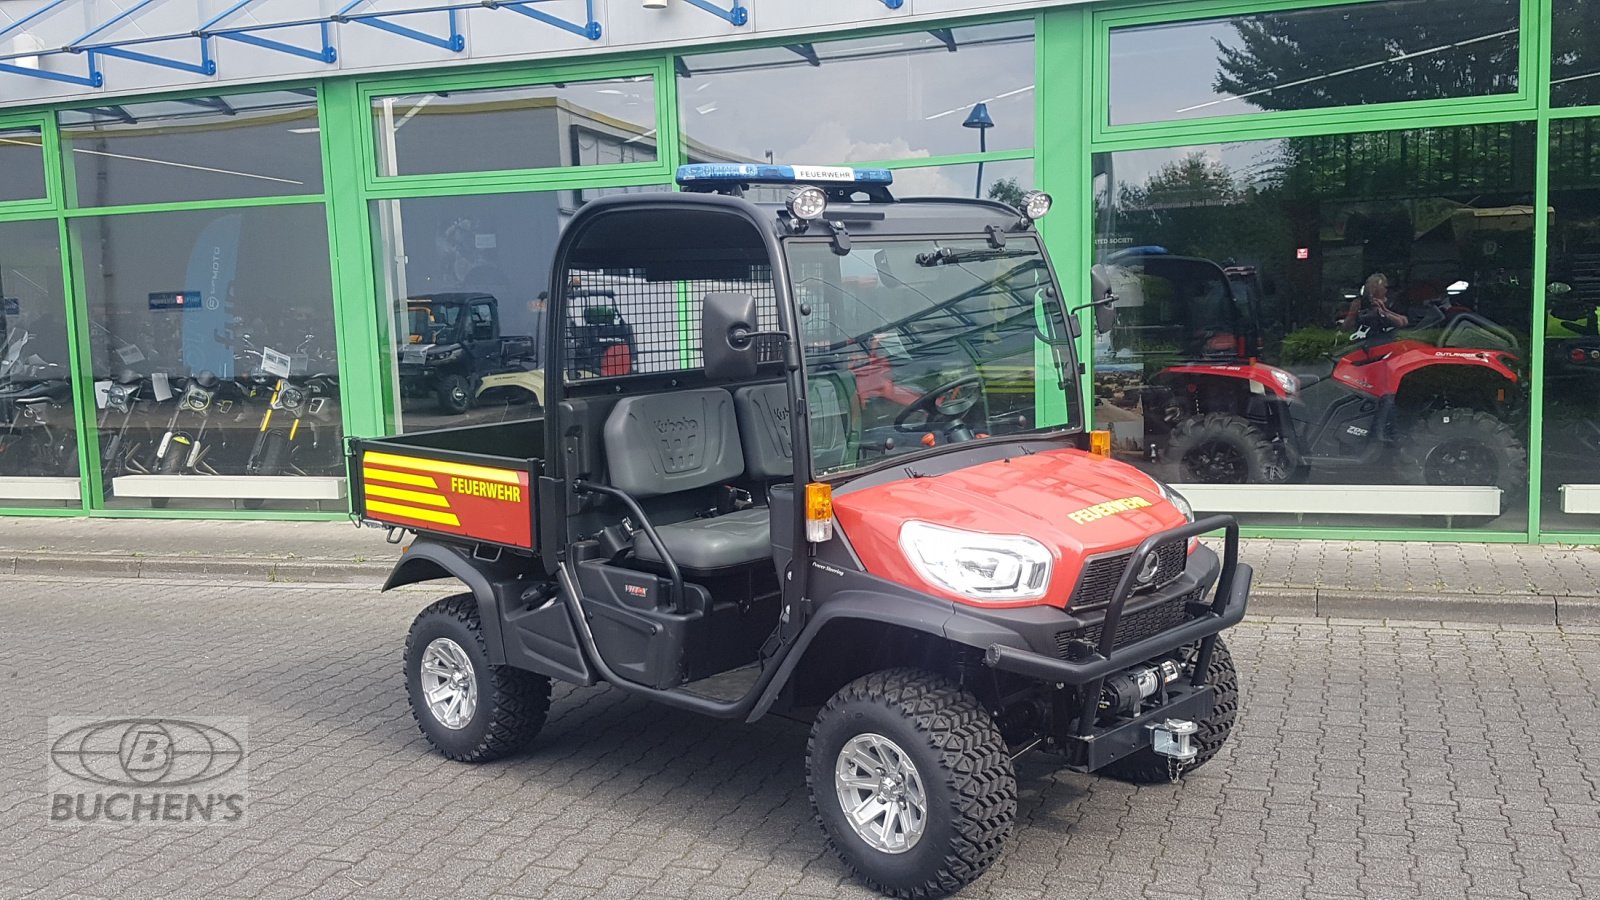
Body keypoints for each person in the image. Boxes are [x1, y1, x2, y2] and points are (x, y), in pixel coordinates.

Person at [1342, 272, 1408, 330]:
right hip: (1365, 340)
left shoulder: (1391, 302)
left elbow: (1403, 322)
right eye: (1371, 287)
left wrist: (1384, 311)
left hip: (1389, 339)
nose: (1373, 290)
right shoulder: (1361, 303)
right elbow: (1346, 328)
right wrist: (1353, 312)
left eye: (1383, 286)